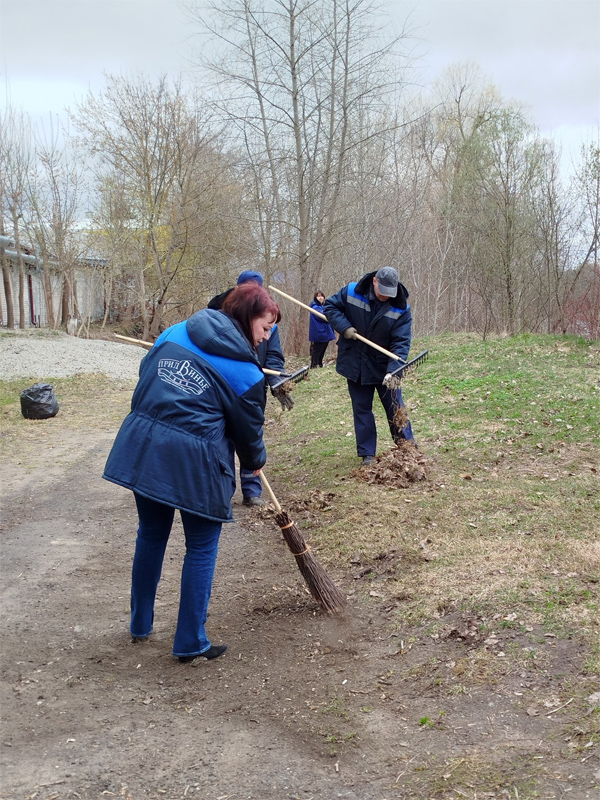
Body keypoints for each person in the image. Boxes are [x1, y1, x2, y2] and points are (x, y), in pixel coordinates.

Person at [103, 283, 281, 663]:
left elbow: (146, 375)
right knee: (201, 547)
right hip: (196, 465)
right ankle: (189, 641)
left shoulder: (174, 332)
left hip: (145, 446)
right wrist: (255, 460)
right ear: (246, 318)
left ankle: (140, 623)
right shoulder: (246, 373)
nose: (268, 336)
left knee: (151, 534)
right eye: (266, 327)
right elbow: (250, 435)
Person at [208, 270, 291, 507]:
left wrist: (277, 383)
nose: (266, 334)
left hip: (252, 386)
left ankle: (252, 491)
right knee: (223, 438)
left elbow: (273, 355)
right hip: (223, 387)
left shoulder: (268, 321)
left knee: (250, 433)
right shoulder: (218, 317)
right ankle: (222, 489)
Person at [323, 266, 415, 466]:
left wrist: (394, 370)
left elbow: (401, 342)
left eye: (389, 292)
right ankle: (368, 454)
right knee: (362, 409)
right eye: (383, 291)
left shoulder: (401, 307)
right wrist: (344, 328)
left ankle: (407, 448)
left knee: (395, 408)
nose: (385, 296)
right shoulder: (351, 292)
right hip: (355, 363)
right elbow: (330, 307)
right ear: (374, 281)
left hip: (384, 366)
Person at [309, 290, 336, 368]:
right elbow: (322, 317)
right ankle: (314, 365)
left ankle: (320, 364)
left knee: (322, 350)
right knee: (317, 350)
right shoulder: (315, 307)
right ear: (315, 298)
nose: (320, 298)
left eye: (322, 296)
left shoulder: (323, 307)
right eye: (318, 296)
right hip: (319, 333)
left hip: (325, 332)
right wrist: (331, 314)